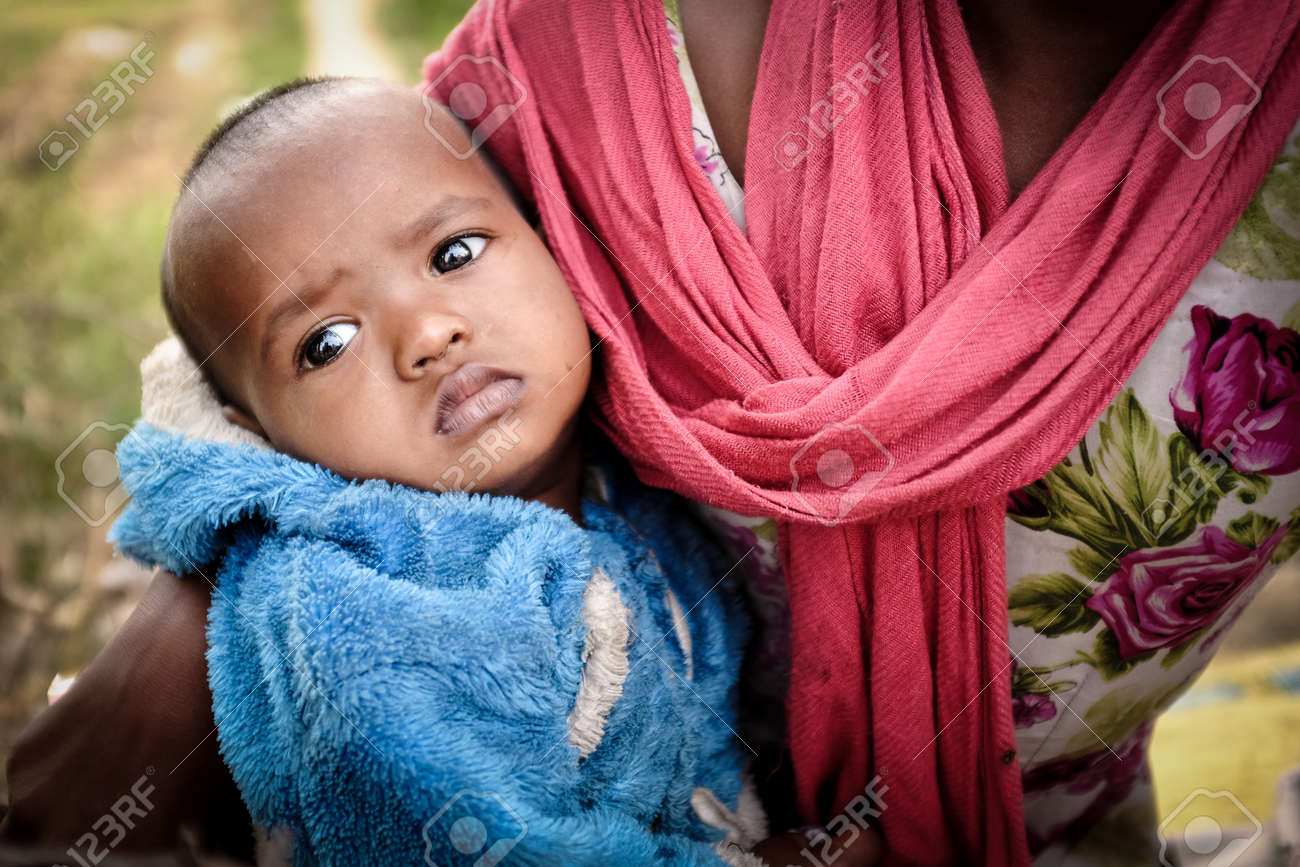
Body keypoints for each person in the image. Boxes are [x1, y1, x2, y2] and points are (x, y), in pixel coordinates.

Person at [6, 0, 1299, 864]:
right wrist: (219, 575)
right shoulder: (368, 629)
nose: (429, 334)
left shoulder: (593, 517)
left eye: (460, 256)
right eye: (331, 347)